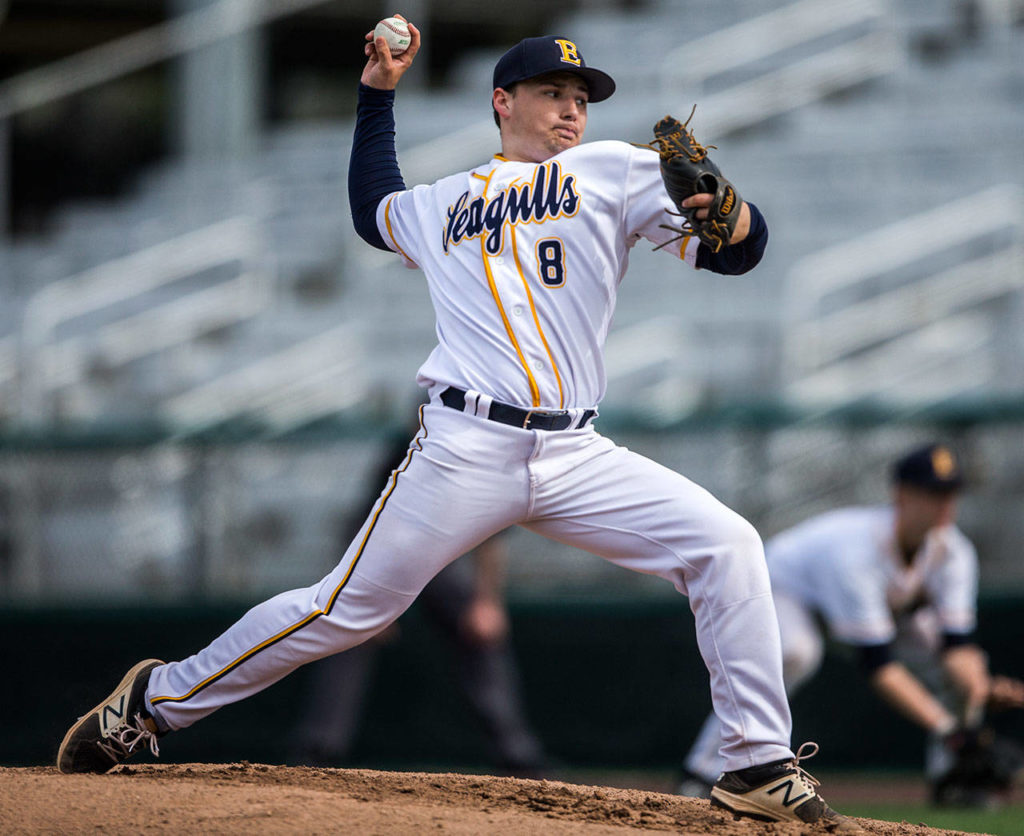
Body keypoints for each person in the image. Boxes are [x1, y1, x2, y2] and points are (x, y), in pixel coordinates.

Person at [57, 19, 857, 831]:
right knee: (344, 611)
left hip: (575, 450)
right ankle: (152, 702)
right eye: (553, 93)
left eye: (581, 97)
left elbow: (733, 252)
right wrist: (377, 94)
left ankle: (756, 761)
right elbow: (374, 211)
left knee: (728, 545)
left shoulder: (617, 169)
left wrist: (736, 212)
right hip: (464, 448)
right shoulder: (446, 201)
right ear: (504, 102)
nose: (571, 110)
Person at [678, 442, 1024, 803]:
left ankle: (954, 778)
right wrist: (950, 730)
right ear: (902, 494)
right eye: (933, 493)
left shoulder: (955, 552)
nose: (944, 504)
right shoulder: (857, 552)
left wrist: (979, 688)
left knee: (956, 670)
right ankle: (702, 772)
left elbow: (958, 648)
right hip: (787, 589)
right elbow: (879, 667)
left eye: (951, 493)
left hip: (874, 611)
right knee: (796, 652)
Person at [289, 422, 547, 776]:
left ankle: (518, 755)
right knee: (348, 630)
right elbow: (366, 521)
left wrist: (487, 601)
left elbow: (489, 537)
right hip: (387, 553)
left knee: (481, 632)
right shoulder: (411, 446)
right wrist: (362, 594)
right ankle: (317, 751)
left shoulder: (488, 450)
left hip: (441, 559)